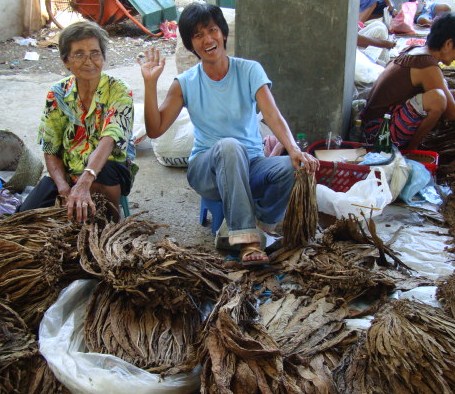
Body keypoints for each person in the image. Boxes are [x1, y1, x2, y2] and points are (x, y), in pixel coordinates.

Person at [139, 3, 319, 265]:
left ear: (223, 33)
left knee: (292, 167)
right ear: (191, 44)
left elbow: (272, 114)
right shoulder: (186, 83)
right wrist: (149, 83)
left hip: (251, 164)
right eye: (198, 35)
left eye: (212, 30)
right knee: (230, 147)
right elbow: (155, 129)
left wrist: (293, 149)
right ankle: (247, 241)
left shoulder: (249, 70)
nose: (208, 39)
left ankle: (255, 226)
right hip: (207, 169)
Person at [18, 21, 136, 222]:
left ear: (103, 57)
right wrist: (63, 186)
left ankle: (111, 222)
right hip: (68, 171)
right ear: (66, 61)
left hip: (106, 169)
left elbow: (109, 139)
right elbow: (50, 147)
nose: (89, 61)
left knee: (98, 220)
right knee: (24, 218)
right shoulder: (57, 94)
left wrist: (84, 181)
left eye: (95, 53)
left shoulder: (119, 91)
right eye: (79, 54)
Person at [361, 13, 455, 150]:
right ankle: (412, 150)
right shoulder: (427, 66)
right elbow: (451, 113)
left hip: (373, 125)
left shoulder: (416, 51)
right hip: (378, 133)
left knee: (446, 94)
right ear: (448, 44)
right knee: (438, 99)